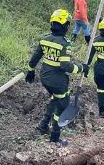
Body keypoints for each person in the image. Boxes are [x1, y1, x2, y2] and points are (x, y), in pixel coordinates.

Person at [25, 9, 89, 146]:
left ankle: (43, 125)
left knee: (55, 99)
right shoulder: (65, 44)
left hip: (45, 77)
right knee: (63, 105)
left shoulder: (45, 40)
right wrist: (81, 68)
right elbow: (65, 66)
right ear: (65, 25)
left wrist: (30, 71)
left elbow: (34, 58)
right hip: (58, 81)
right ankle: (55, 136)